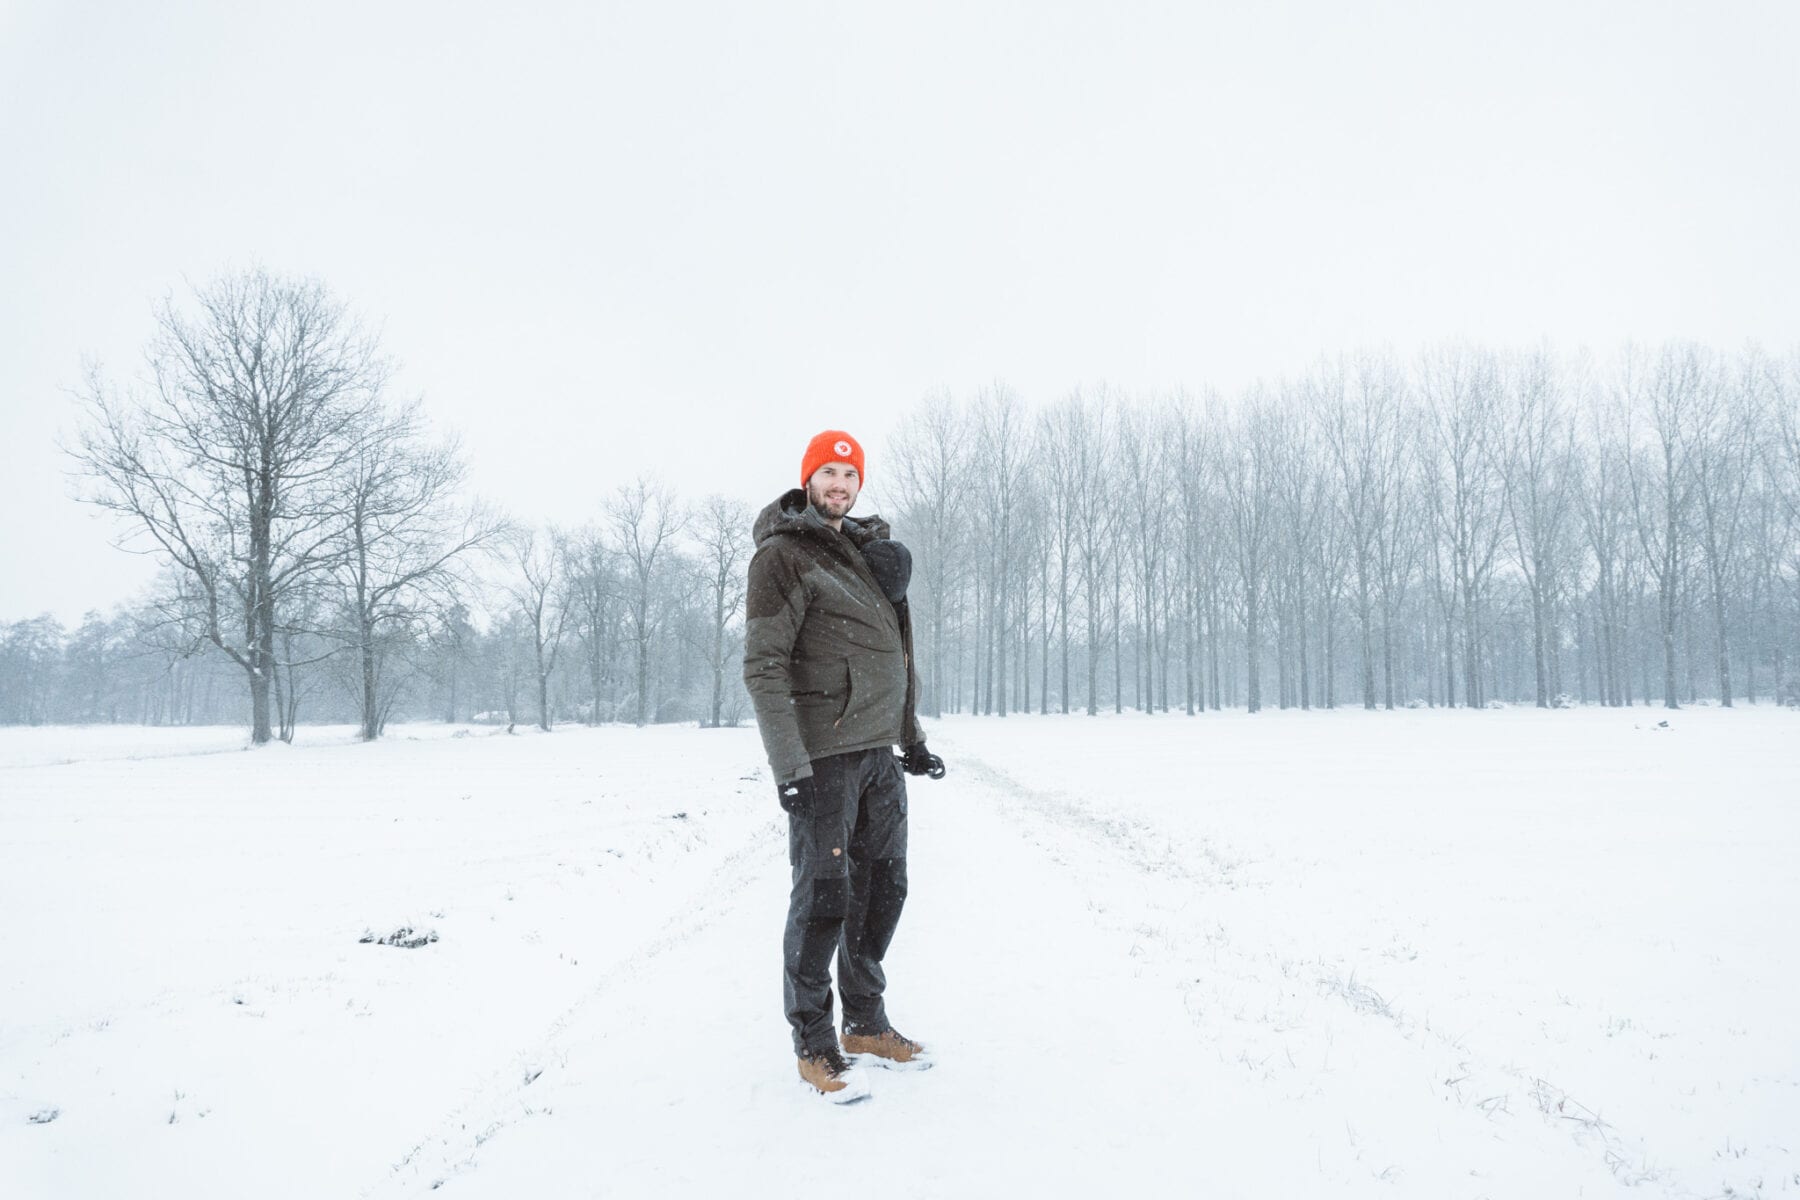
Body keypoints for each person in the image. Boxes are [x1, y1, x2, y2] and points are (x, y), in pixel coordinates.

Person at [743, 429, 948, 1101]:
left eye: (849, 473)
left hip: (877, 756)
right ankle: (814, 1042)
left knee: (885, 887)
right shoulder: (784, 556)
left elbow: (898, 656)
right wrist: (790, 767)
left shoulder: (867, 556)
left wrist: (910, 739)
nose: (839, 483)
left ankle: (864, 1021)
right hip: (823, 759)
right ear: (808, 481)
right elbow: (764, 666)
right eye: (828, 472)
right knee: (825, 896)